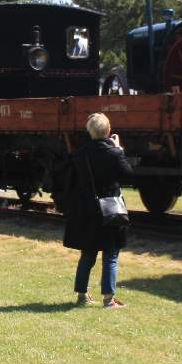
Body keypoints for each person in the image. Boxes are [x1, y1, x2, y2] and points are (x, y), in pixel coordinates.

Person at [63, 112, 134, 308]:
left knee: (88, 253)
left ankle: (82, 295)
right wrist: (119, 149)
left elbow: (72, 180)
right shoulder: (114, 153)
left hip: (87, 209)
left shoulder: (80, 153)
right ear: (108, 130)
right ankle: (108, 299)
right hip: (110, 209)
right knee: (111, 254)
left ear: (90, 131)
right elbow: (128, 175)